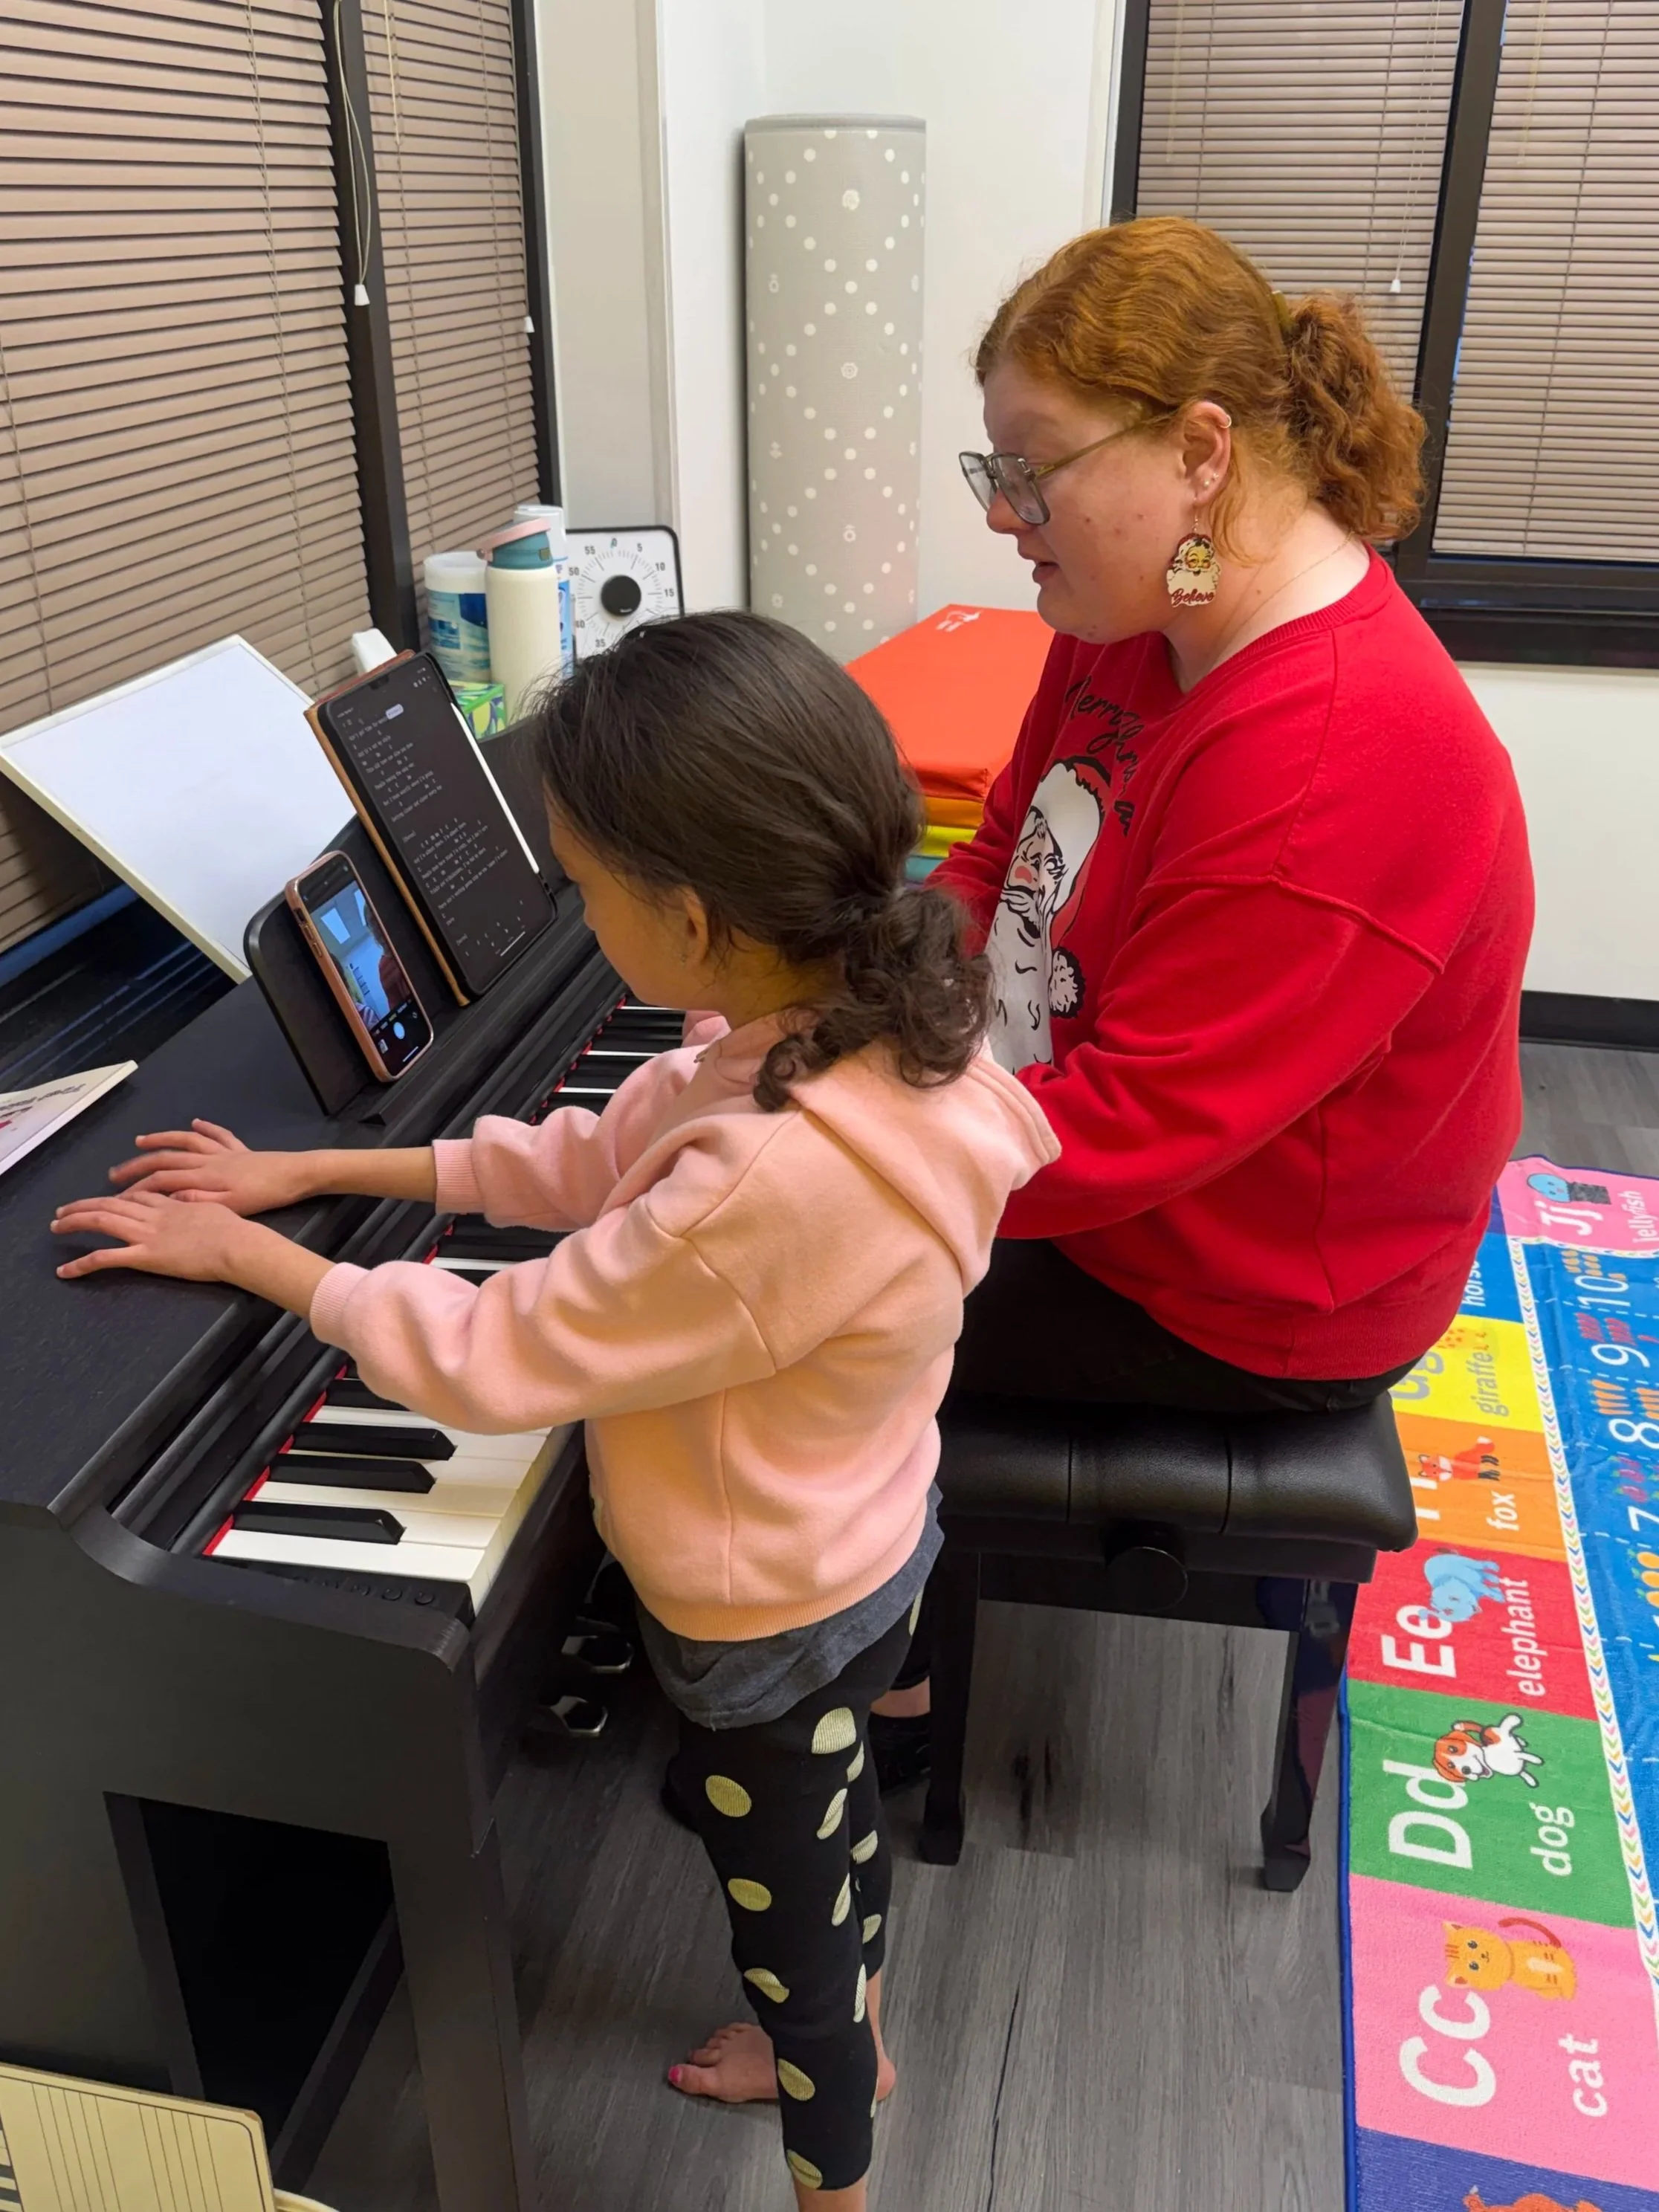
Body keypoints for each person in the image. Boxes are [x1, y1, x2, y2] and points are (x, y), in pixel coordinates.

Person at [51, 612, 1056, 2212]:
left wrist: (259, 1261)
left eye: (582, 891)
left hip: (768, 1606)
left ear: (692, 914)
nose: (573, 919)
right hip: (871, 1537)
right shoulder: (815, 1037)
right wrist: (320, 1169)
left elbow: (501, 1354)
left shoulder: (773, 1173)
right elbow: (586, 1156)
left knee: (783, 1909)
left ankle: (835, 2148)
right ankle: (846, 2028)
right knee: (835, 1822)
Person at [869, 216, 1533, 1775]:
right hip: (1081, 1141)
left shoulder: (1336, 761)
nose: (1008, 522)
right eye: (997, 476)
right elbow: (995, 868)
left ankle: (871, 1675)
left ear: (1202, 451)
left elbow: (1119, 1141)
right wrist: (859, 993)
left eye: (1032, 474)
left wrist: (835, 1132)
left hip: (1251, 1291)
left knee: (789, 1292)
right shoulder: (1130, 628)